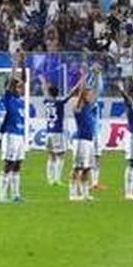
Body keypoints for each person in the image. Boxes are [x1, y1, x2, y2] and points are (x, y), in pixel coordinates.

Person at [0, 50, 27, 204]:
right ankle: (3, 196)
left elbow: (24, 80)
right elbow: (11, 82)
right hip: (10, 134)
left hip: (19, 134)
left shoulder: (18, 100)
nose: (21, 88)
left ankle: (15, 194)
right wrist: (15, 63)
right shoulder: (8, 97)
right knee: (8, 163)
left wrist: (23, 62)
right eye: (18, 86)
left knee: (17, 164)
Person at [41, 77, 80, 187]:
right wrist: (78, 84)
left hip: (48, 132)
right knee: (60, 155)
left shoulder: (46, 102)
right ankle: (57, 179)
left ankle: (50, 179)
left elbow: (45, 92)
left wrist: (43, 83)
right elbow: (70, 94)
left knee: (51, 155)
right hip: (57, 132)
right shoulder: (59, 103)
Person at [69, 70, 96, 201]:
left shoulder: (88, 107)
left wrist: (95, 76)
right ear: (84, 95)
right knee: (77, 168)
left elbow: (95, 91)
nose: (91, 96)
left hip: (89, 141)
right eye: (89, 94)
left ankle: (85, 194)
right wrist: (83, 79)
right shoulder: (78, 107)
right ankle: (73, 194)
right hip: (81, 140)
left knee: (87, 168)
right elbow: (79, 96)